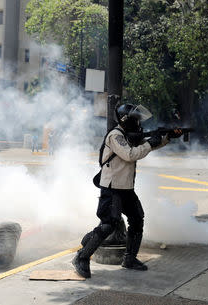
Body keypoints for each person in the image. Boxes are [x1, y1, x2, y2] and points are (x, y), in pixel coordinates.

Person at [73, 104, 182, 278]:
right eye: (135, 119)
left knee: (137, 219)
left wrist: (167, 137)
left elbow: (147, 146)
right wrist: (149, 144)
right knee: (109, 224)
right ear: (126, 120)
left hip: (126, 188)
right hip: (113, 188)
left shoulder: (128, 135)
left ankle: (129, 259)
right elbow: (130, 154)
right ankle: (82, 257)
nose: (138, 123)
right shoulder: (115, 136)